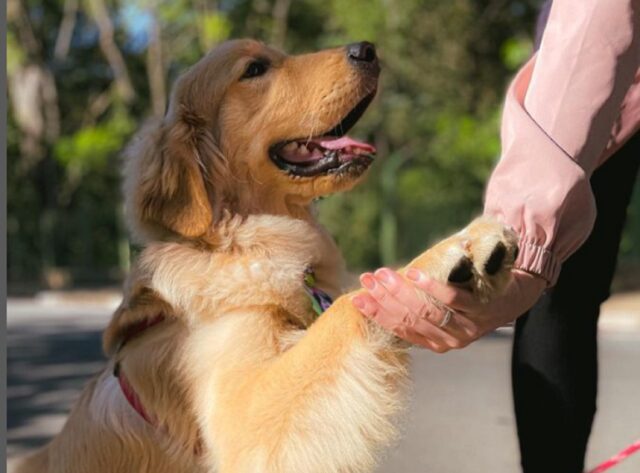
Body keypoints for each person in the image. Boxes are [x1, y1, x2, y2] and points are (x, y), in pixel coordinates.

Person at [351, 1, 640, 472]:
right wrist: (528, 249)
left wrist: (527, 247)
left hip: (593, 59)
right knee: (563, 294)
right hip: (597, 76)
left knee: (561, 296)